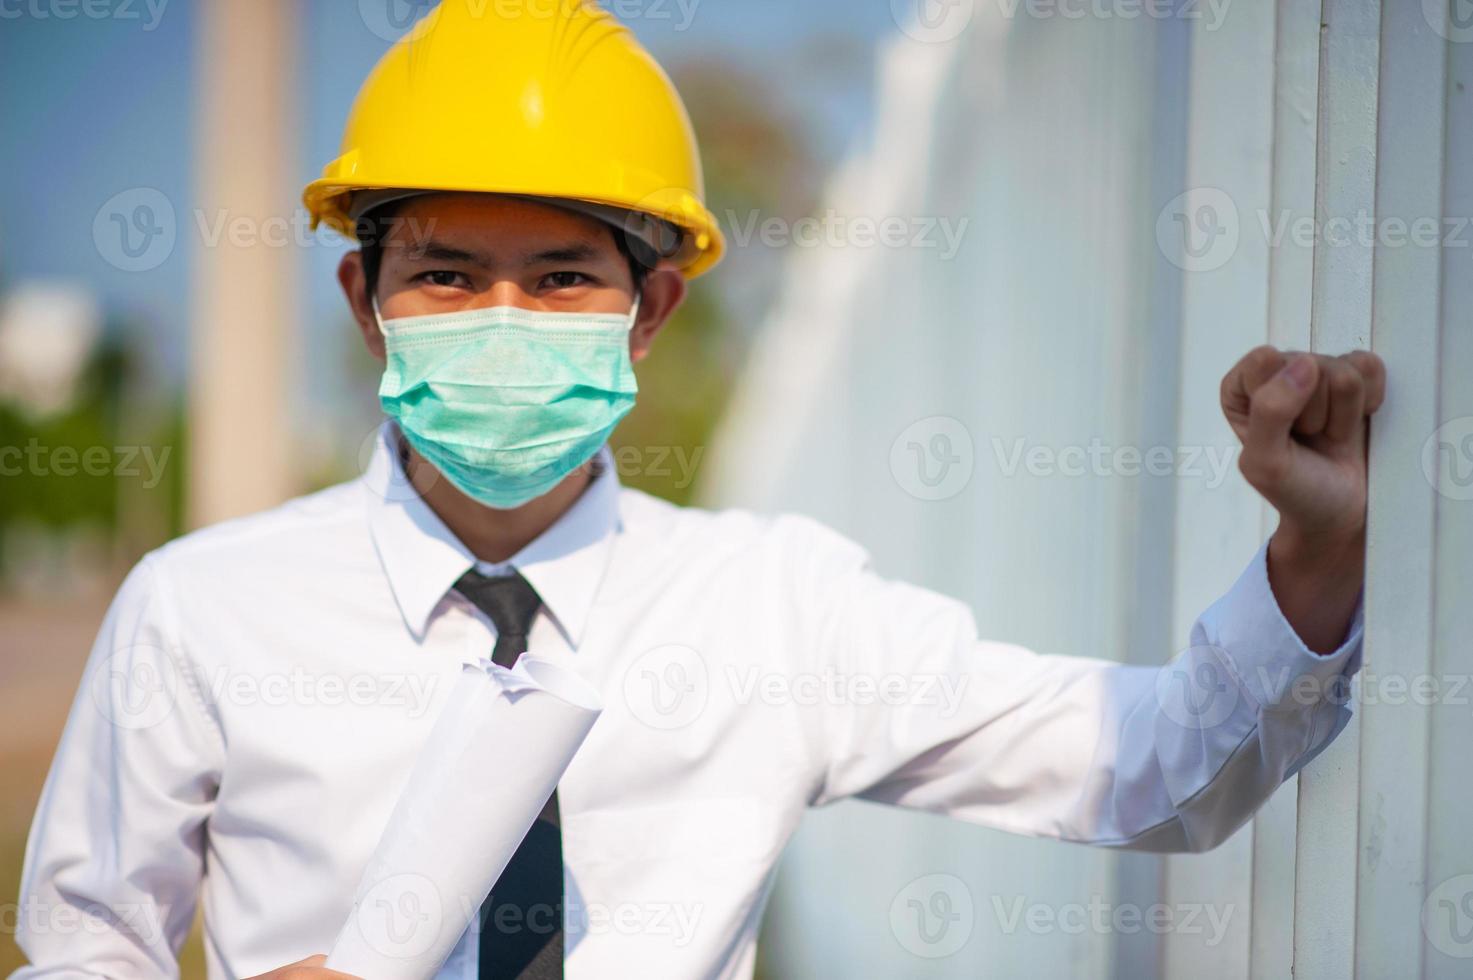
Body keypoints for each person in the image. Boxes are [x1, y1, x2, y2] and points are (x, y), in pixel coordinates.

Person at [14, 2, 1385, 978]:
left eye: (561, 276)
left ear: (651, 308)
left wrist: (1314, 555)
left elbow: (1151, 770)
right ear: (363, 301)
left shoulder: (775, 606)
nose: (502, 316)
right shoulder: (200, 608)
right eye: (443, 272)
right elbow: (81, 943)